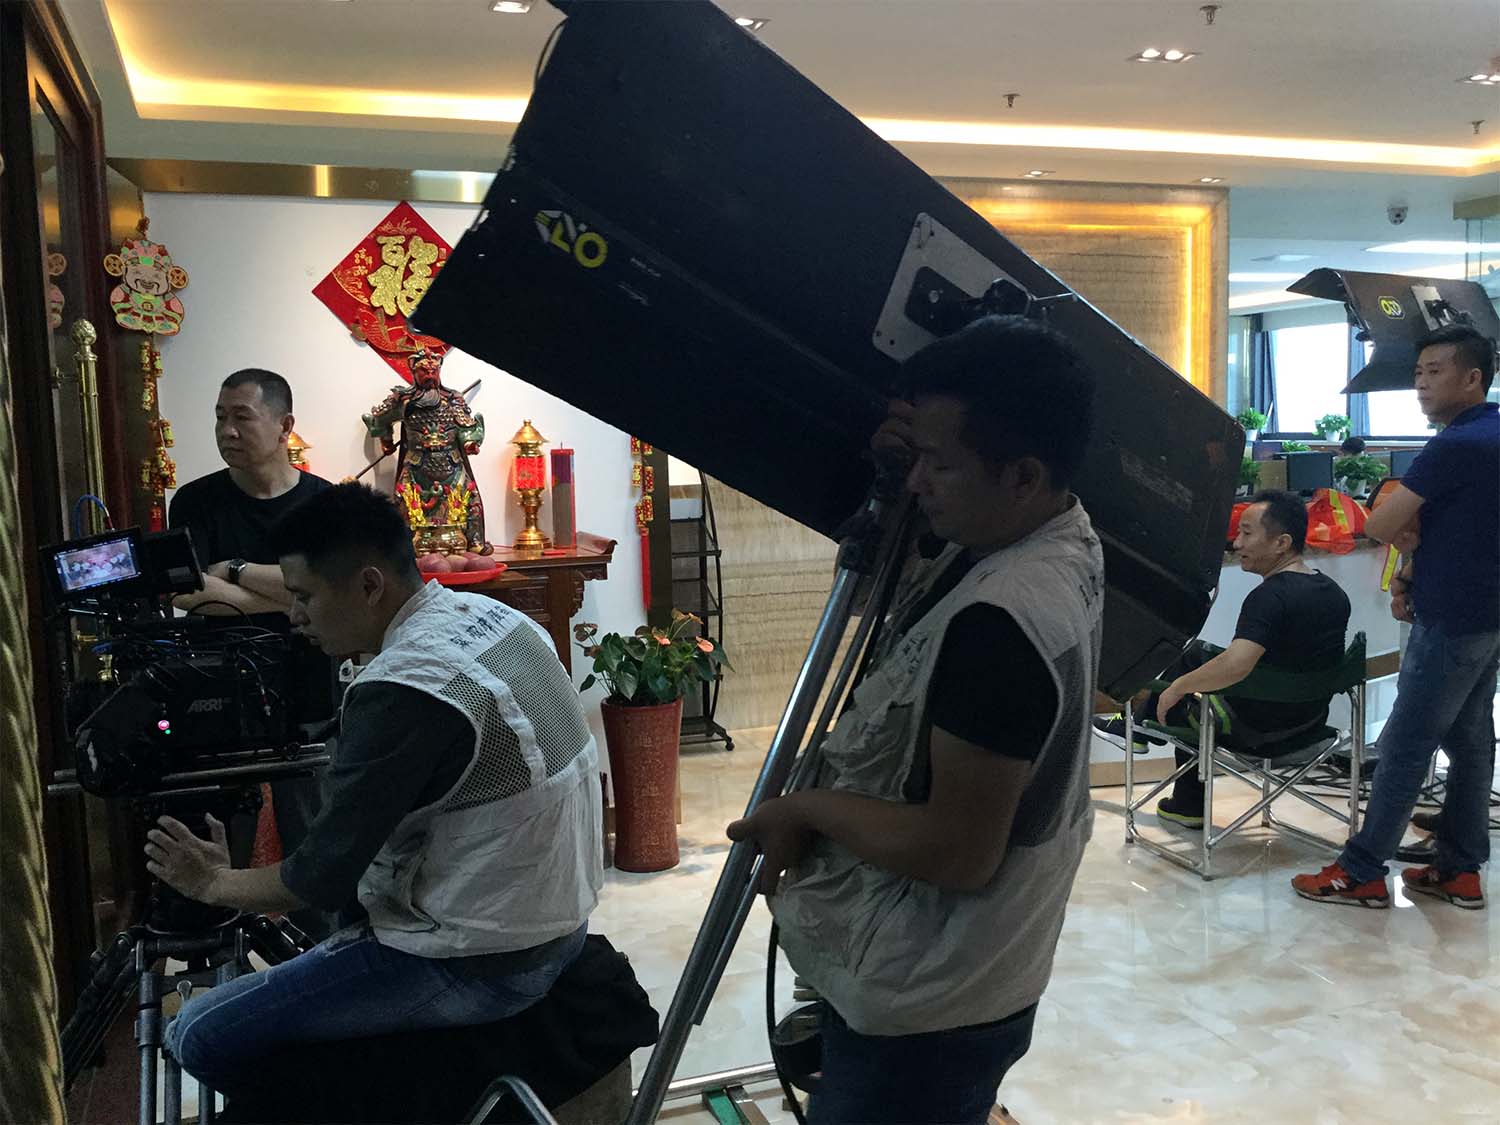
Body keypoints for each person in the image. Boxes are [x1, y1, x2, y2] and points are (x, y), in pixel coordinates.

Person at [727, 316, 1101, 1125]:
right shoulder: (1050, 534)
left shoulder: (1003, 623)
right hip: (965, 975)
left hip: (928, 1008)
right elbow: (897, 603)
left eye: (941, 463)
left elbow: (958, 850)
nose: (919, 480)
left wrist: (804, 808)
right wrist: (909, 470)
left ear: (1022, 475)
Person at [146, 483, 603, 1094]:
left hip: (482, 962)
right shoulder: (497, 617)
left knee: (196, 1033)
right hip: (556, 925)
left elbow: (316, 879)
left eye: (304, 596)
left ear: (368, 585)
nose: (295, 616)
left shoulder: (408, 687)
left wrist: (211, 882)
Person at [1293, 323, 1498, 909]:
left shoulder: (1454, 445)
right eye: (1418, 374)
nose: (1422, 385)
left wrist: (1407, 531)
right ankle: (1460, 868)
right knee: (1471, 739)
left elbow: (1378, 524)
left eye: (1435, 372)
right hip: (1488, 614)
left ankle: (1361, 870)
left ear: (1474, 377)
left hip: (1452, 615)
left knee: (1407, 744)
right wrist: (1414, 556)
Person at [168, 367, 336, 936]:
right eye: (220, 417)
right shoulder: (195, 502)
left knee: (314, 843)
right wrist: (296, 596)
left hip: (308, 698)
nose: (227, 431)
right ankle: (227, 962)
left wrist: (236, 571)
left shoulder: (323, 503)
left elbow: (331, 592)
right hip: (219, 700)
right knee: (221, 850)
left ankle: (319, 956)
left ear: (285, 425)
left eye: (242, 417)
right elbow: (189, 594)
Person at [1094, 491, 1351, 828]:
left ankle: (1147, 744)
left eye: (1247, 533)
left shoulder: (1269, 597)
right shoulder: (1334, 593)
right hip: (1309, 726)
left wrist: (1177, 687)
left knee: (1189, 700)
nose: (1236, 543)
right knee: (1197, 666)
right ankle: (1153, 756)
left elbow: (1237, 664)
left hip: (1258, 731)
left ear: (1281, 543)